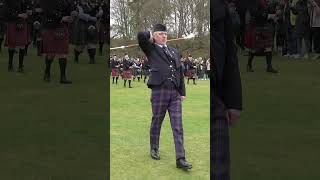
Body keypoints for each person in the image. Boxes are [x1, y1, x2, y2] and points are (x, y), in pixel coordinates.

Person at [137, 23, 192, 170]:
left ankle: (180, 158)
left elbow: (179, 72)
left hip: (174, 93)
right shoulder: (151, 49)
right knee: (157, 121)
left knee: (178, 126)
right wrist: (148, 36)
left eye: (165, 34)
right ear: (154, 36)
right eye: (161, 34)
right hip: (159, 90)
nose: (164, 36)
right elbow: (141, 36)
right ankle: (154, 147)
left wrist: (182, 92)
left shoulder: (174, 51)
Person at [212, 0, 242, 179]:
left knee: (219, 173)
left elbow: (230, 53)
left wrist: (234, 101)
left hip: (216, 98)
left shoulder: (220, 8)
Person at [40, 0, 74, 84]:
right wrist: (61, 18)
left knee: (63, 52)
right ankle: (47, 72)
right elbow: (47, 11)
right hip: (51, 26)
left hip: (62, 27)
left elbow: (68, 9)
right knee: (51, 53)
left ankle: (63, 77)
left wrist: (71, 14)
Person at [245, 0, 279, 73]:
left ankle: (269, 67)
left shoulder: (264, 2)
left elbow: (265, 11)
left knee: (268, 47)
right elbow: (254, 12)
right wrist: (267, 15)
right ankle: (249, 65)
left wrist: (273, 14)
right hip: (256, 26)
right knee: (254, 49)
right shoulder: (253, 2)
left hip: (264, 26)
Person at [4, 0, 29, 72]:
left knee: (22, 45)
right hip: (12, 22)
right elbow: (6, 13)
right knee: (11, 45)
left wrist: (28, 13)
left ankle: (20, 66)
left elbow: (29, 9)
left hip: (22, 23)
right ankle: (10, 64)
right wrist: (19, 15)